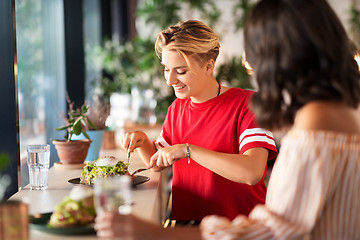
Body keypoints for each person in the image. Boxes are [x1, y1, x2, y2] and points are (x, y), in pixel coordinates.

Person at [95, 0, 360, 239]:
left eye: (255, 58)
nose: (250, 63)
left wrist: (155, 233)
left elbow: (269, 228)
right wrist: (145, 143)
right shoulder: (339, 113)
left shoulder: (313, 120)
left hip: (231, 221)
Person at [121, 19, 277, 224]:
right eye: (166, 69)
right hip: (188, 227)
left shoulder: (248, 104)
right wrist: (142, 140)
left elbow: (252, 172)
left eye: (181, 71)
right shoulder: (176, 109)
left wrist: (188, 150)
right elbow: (158, 163)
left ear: (208, 66)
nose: (170, 80)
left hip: (240, 228)